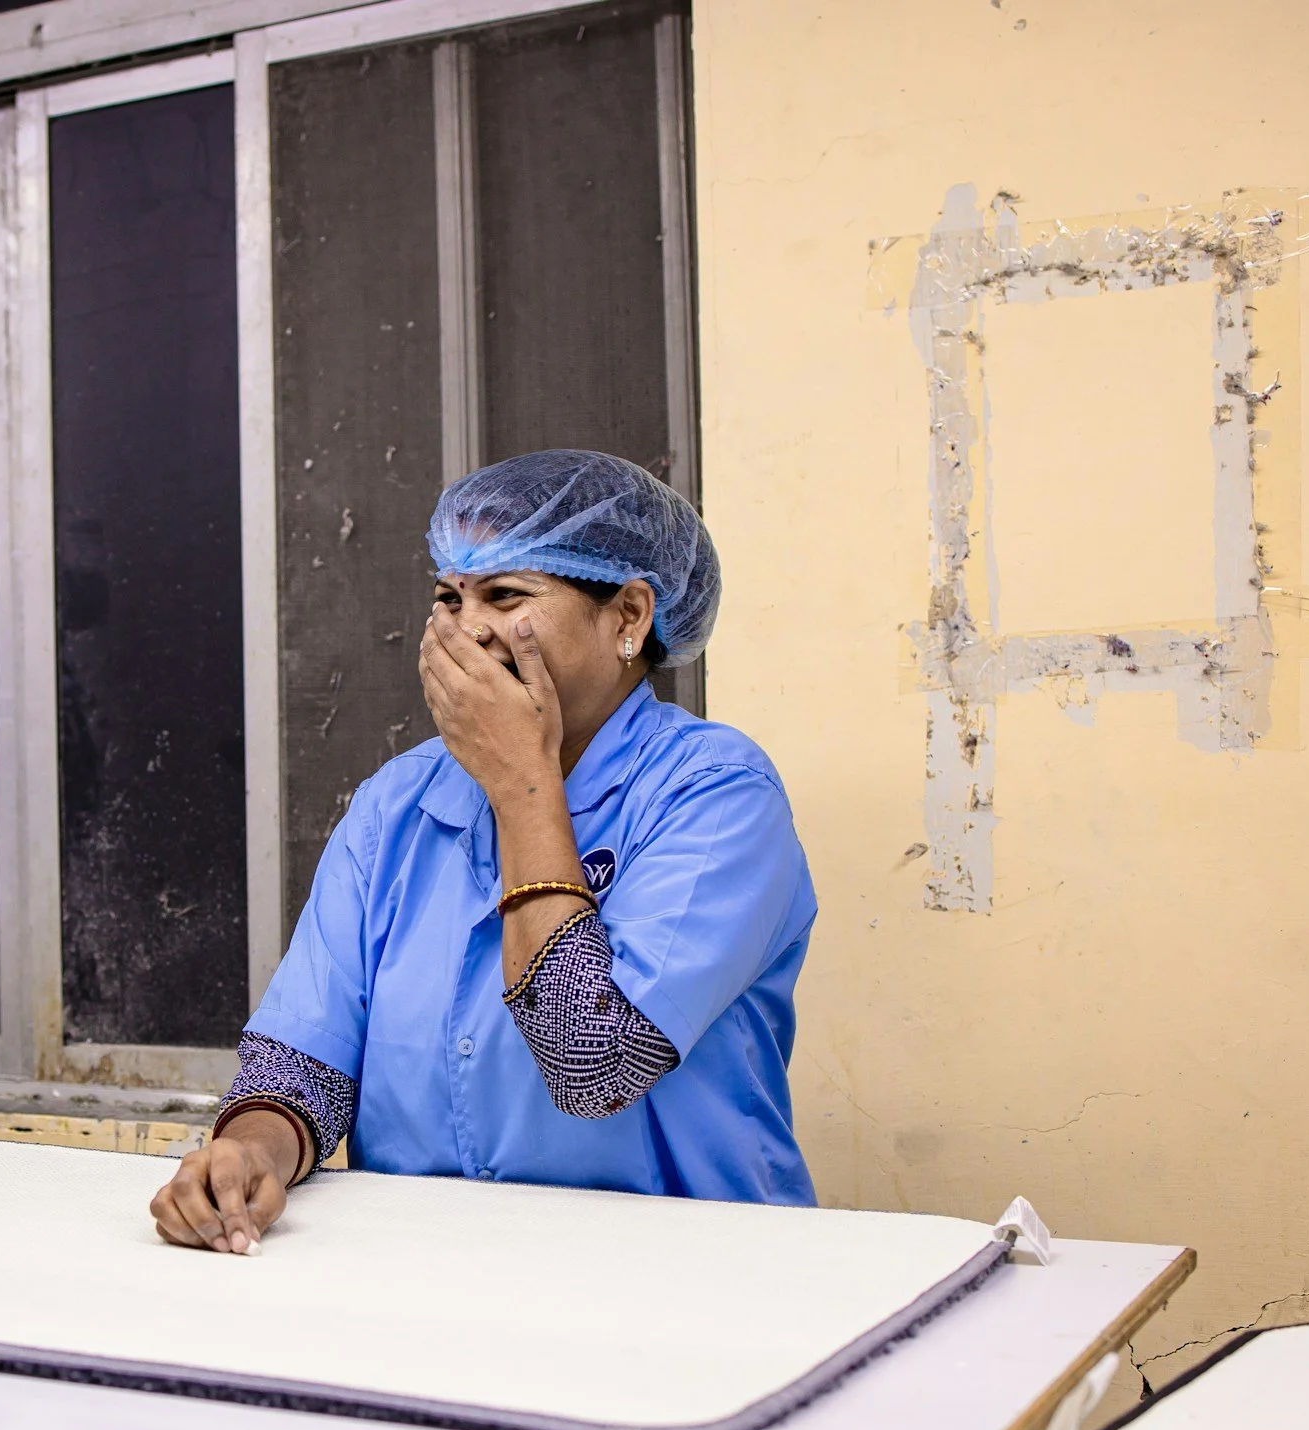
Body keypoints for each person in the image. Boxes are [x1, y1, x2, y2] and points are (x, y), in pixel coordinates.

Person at [149, 449, 818, 1254]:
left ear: (630, 616)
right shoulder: (394, 805)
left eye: (504, 595)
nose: (465, 628)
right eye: (447, 596)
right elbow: (303, 1067)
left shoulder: (717, 793)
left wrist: (520, 781)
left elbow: (593, 1062)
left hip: (687, 1278)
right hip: (435, 1271)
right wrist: (251, 1150)